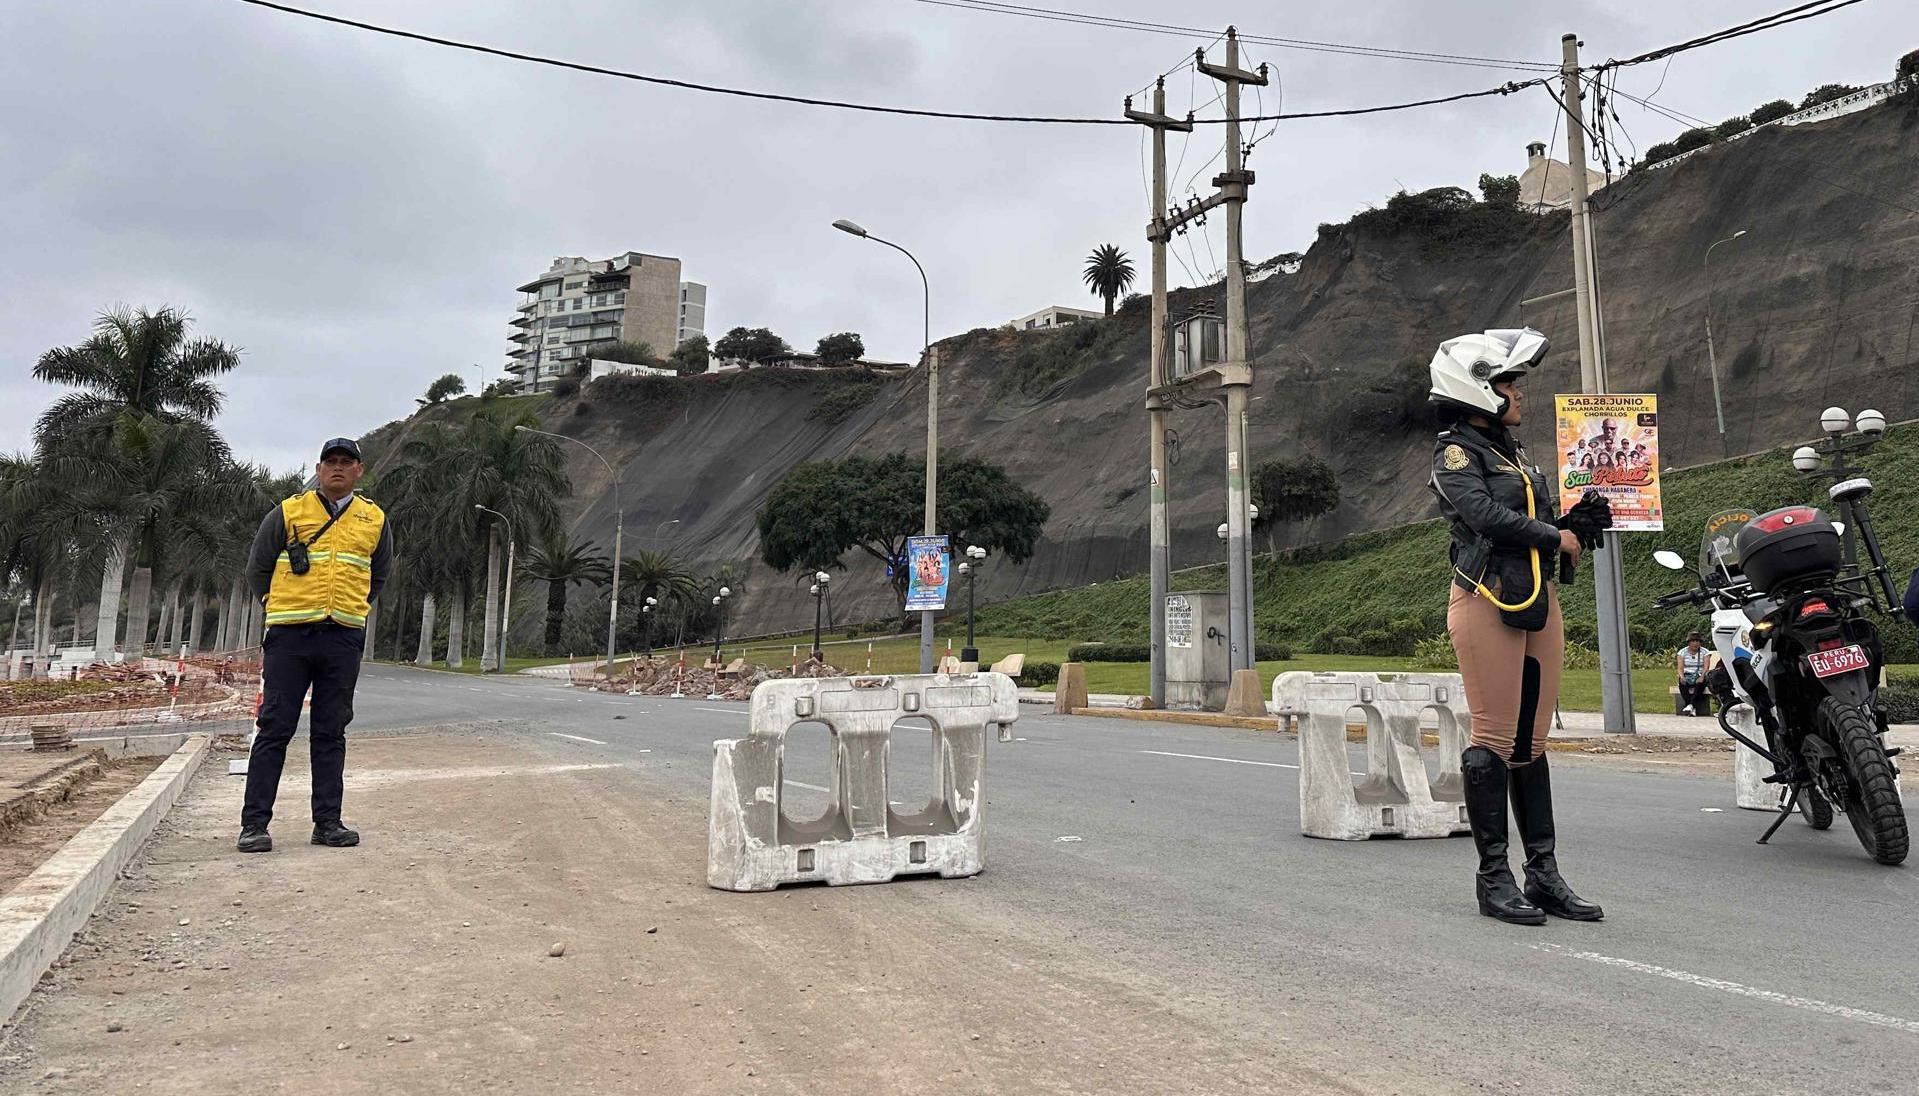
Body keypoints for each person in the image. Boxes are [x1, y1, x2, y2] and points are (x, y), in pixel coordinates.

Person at [1428, 327, 1608, 926]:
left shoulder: (1512, 450)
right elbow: (1482, 514)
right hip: (1487, 597)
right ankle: (1494, 878)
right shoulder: (1455, 453)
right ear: (1476, 386)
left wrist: (1574, 523)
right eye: (1508, 382)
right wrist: (1554, 535)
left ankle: (1544, 875)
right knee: (1495, 739)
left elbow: (1528, 515)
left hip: (1537, 596)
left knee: (1532, 742)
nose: (1518, 392)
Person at [237, 437, 392, 853]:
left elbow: (378, 574)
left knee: (330, 731)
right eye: (330, 462)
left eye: (346, 462)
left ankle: (328, 823)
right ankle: (254, 825)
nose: (338, 468)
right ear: (319, 469)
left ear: (359, 470)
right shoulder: (288, 511)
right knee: (275, 728)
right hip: (290, 636)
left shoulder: (374, 519)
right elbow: (258, 567)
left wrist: (355, 608)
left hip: (342, 636)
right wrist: (274, 603)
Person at [1676, 633, 1714, 716]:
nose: (1695, 643)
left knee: (1700, 684)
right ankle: (1692, 707)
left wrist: (1702, 676)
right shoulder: (1682, 652)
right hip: (1687, 674)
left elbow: (1706, 667)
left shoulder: (1705, 652)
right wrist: (1682, 677)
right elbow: (1680, 668)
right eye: (1693, 641)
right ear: (1689, 642)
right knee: (1682, 683)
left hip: (1700, 674)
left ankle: (1690, 705)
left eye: (1697, 641)